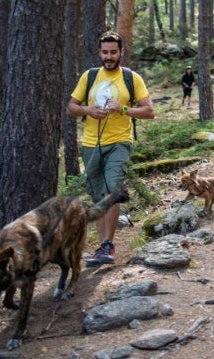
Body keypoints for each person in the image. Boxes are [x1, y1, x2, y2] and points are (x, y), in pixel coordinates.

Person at [66, 31, 155, 267]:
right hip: (91, 144)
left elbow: (149, 111)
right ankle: (102, 246)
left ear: (121, 52)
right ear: (99, 52)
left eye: (113, 52)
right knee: (98, 198)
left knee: (111, 190)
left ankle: (108, 245)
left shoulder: (131, 78)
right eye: (105, 52)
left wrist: (123, 110)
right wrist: (88, 110)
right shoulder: (89, 76)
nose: (109, 56)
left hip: (119, 142)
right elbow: (71, 107)